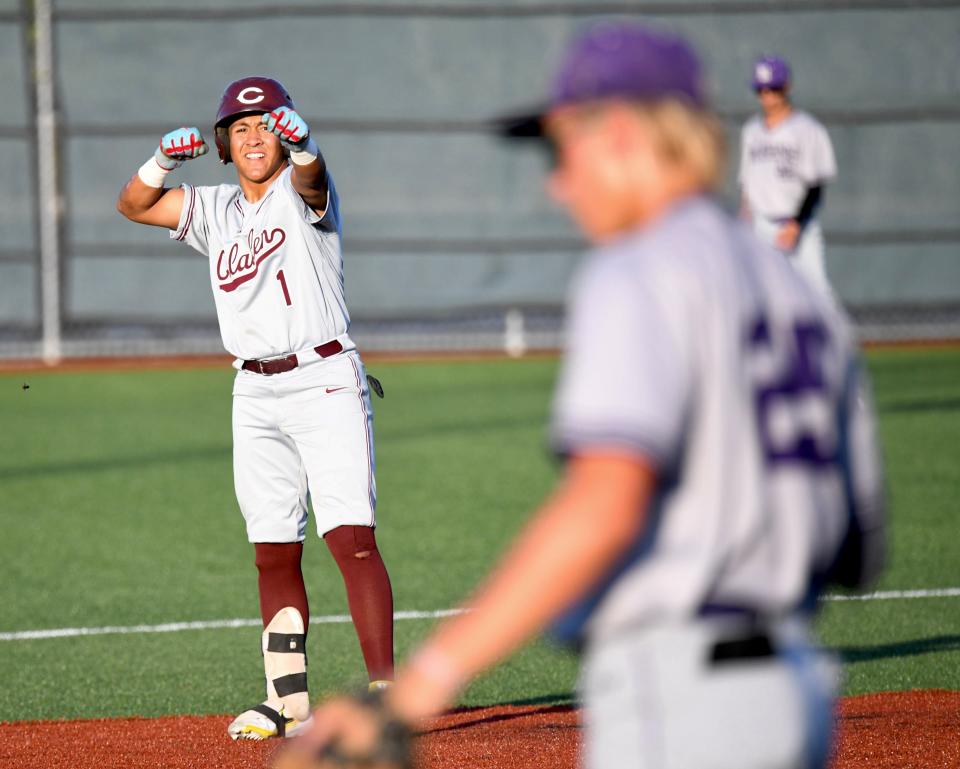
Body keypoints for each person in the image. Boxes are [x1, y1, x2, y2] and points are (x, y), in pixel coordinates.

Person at [286, 23, 886, 769]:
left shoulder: (640, 272)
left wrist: (415, 689)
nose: (556, 180)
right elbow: (859, 548)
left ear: (626, 134)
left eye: (563, 148)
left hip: (680, 698)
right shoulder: (804, 295)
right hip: (792, 691)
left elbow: (606, 500)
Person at [116, 76, 395, 741]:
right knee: (272, 548)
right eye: (239, 128)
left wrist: (308, 147)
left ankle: (387, 696)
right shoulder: (213, 208)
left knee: (350, 538)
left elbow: (313, 182)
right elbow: (133, 204)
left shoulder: (304, 196)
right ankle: (288, 700)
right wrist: (159, 160)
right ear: (223, 142)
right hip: (253, 388)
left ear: (284, 129)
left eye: (265, 123)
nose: (252, 136)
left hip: (323, 375)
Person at [739, 55, 838, 298]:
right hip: (762, 225)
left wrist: (796, 224)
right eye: (761, 90)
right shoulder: (752, 131)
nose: (767, 96)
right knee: (764, 295)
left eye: (773, 89)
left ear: (786, 87)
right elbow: (747, 183)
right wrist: (744, 220)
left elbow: (816, 184)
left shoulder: (807, 129)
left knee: (818, 293)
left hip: (797, 225)